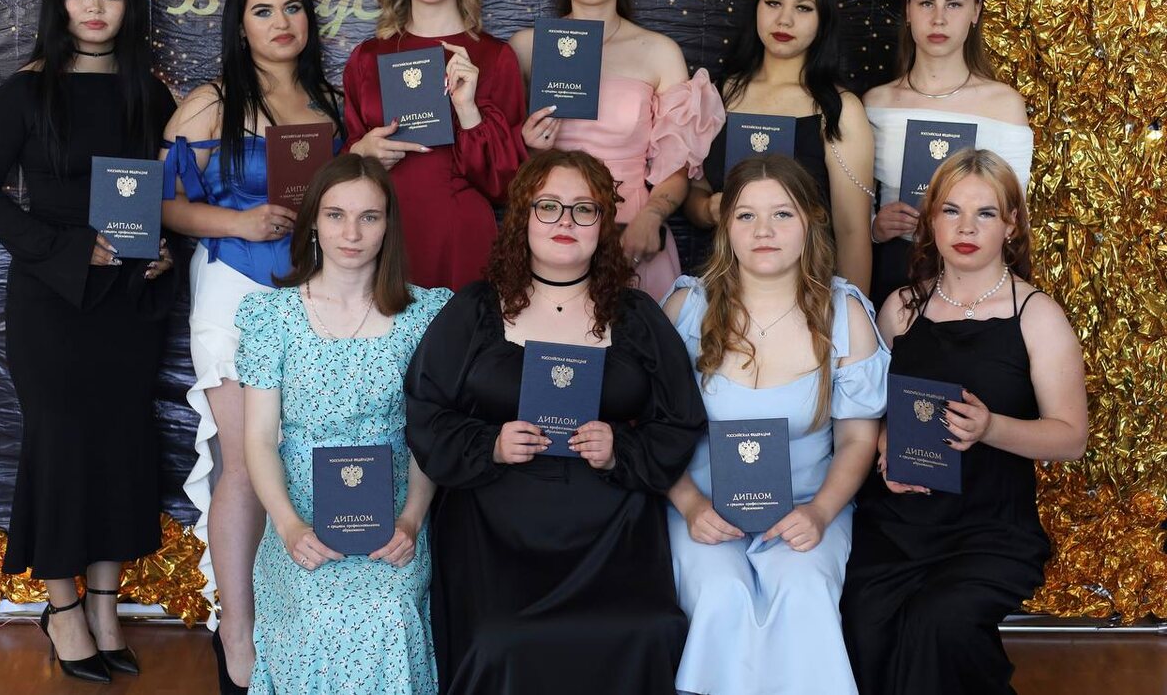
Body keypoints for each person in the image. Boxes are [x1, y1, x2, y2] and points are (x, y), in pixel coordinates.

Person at [405, 149, 706, 695]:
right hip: (495, 529)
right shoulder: (474, 310)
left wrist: (621, 448)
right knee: (499, 640)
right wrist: (491, 443)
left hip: (612, 532)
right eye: (548, 206)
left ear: (603, 223)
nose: (565, 221)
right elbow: (426, 414)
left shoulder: (637, 316)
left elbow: (680, 421)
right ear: (522, 217)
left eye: (583, 209)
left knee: (651, 628)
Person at [0, 0, 177, 683]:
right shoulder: (25, 92)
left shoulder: (152, 96)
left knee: (121, 446)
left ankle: (105, 607)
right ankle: (61, 611)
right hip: (52, 303)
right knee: (59, 449)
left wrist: (167, 252)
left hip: (129, 303)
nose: (95, 7)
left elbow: (174, 195)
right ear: (59, 2)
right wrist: (64, 249)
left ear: (129, 7)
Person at [159, 0, 344, 692]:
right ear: (239, 25)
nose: (281, 23)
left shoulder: (327, 103)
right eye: (263, 11)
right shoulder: (212, 101)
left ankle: (294, 625)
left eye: (292, 7)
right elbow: (163, 203)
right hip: (233, 289)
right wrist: (238, 220)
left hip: (311, 295)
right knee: (242, 460)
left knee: (297, 455)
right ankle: (235, 633)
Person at [841, 148, 1088, 695]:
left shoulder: (1036, 315)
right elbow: (871, 412)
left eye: (985, 213)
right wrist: (884, 445)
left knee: (940, 622)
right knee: (864, 612)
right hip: (898, 523)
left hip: (989, 530)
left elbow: (1071, 437)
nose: (966, 228)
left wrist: (990, 427)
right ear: (931, 220)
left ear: (1011, 224)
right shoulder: (900, 308)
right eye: (951, 211)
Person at [663, 154, 887, 695]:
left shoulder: (844, 313)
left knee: (802, 590)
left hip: (809, 505)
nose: (763, 231)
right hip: (703, 508)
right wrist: (690, 506)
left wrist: (820, 512)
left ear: (810, 221)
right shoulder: (687, 307)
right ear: (725, 227)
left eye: (782, 214)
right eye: (746, 215)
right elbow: (650, 428)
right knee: (721, 594)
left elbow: (857, 438)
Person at [239, 154, 448, 693]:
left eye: (368, 217)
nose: (351, 233)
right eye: (336, 215)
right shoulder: (272, 316)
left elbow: (428, 436)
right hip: (300, 508)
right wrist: (289, 526)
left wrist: (412, 520)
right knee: (315, 612)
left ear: (388, 225)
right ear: (313, 220)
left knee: (389, 610)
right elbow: (258, 440)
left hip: (395, 510)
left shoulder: (424, 315)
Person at [511, 0, 725, 302]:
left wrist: (652, 215)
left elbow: (677, 166)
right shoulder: (526, 48)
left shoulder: (659, 52)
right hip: (549, 230)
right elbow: (497, 157)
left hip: (632, 234)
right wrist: (527, 146)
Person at [344, 0, 527, 290]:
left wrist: (468, 112)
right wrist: (361, 153)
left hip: (461, 241)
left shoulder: (496, 58)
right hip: (381, 239)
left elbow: (507, 186)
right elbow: (340, 177)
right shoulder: (367, 58)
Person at [685, 0, 875, 293]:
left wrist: (851, 311)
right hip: (722, 289)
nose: (784, 19)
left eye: (803, 8)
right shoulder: (719, 93)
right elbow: (695, 194)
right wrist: (707, 209)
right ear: (756, 8)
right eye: (773, 3)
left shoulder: (838, 109)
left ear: (823, 19)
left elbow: (852, 232)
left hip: (805, 294)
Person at [865, 0, 1033, 309]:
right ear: (908, 11)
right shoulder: (876, 103)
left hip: (977, 279)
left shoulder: (1004, 104)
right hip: (894, 271)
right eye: (926, 3)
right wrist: (875, 227)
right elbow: (852, 204)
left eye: (954, 4)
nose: (938, 19)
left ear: (976, 12)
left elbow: (1014, 210)